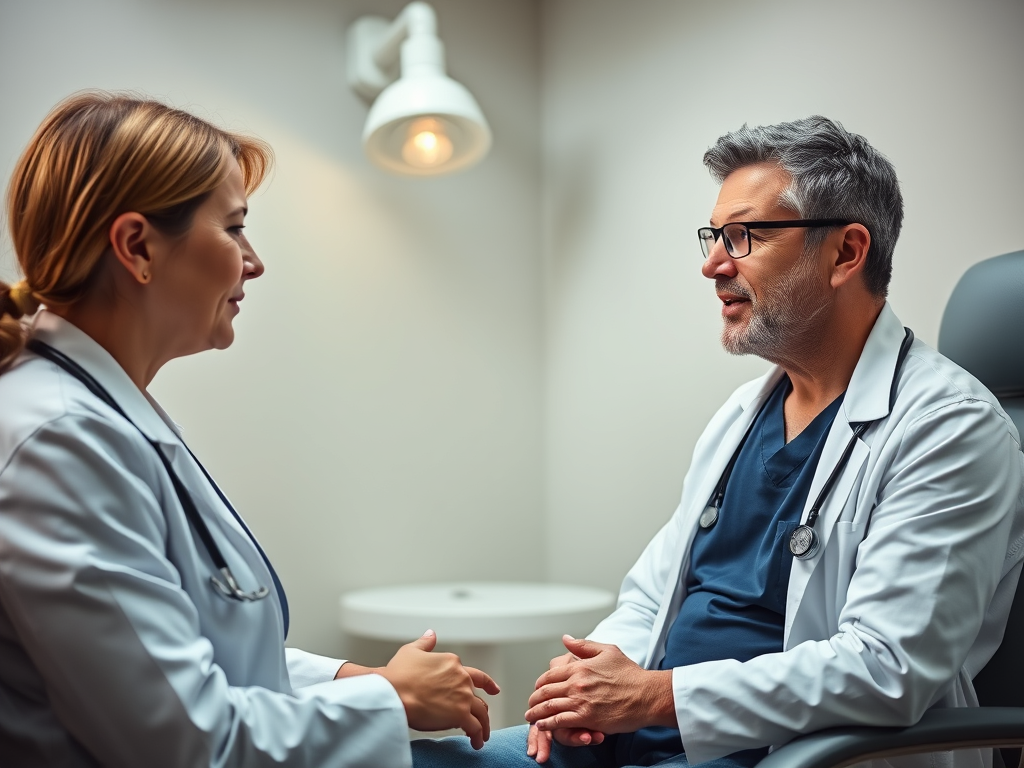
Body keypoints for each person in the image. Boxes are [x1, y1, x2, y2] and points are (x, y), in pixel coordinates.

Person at [410, 117, 1024, 768]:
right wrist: (587, 688)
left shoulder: (948, 425)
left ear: (845, 253)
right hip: (636, 735)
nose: (712, 264)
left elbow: (887, 668)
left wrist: (653, 696)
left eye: (744, 237)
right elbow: (652, 595)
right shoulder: (742, 415)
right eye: (714, 236)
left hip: (785, 753)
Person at [0, 92, 498, 767]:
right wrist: (391, 701)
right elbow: (185, 741)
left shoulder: (103, 414)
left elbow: (201, 664)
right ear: (137, 246)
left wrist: (363, 680)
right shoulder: (59, 441)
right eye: (233, 228)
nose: (253, 261)